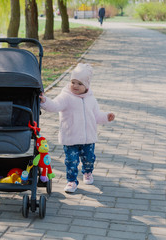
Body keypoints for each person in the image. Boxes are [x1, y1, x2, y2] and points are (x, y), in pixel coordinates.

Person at [39, 63, 115, 193]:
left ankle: (87, 172)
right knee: (71, 162)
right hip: (71, 137)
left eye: (79, 84)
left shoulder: (91, 99)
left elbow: (96, 116)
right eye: (73, 82)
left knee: (89, 159)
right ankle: (72, 181)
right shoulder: (66, 96)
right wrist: (44, 101)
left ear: (86, 86)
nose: (75, 86)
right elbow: (55, 105)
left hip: (88, 138)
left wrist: (106, 117)